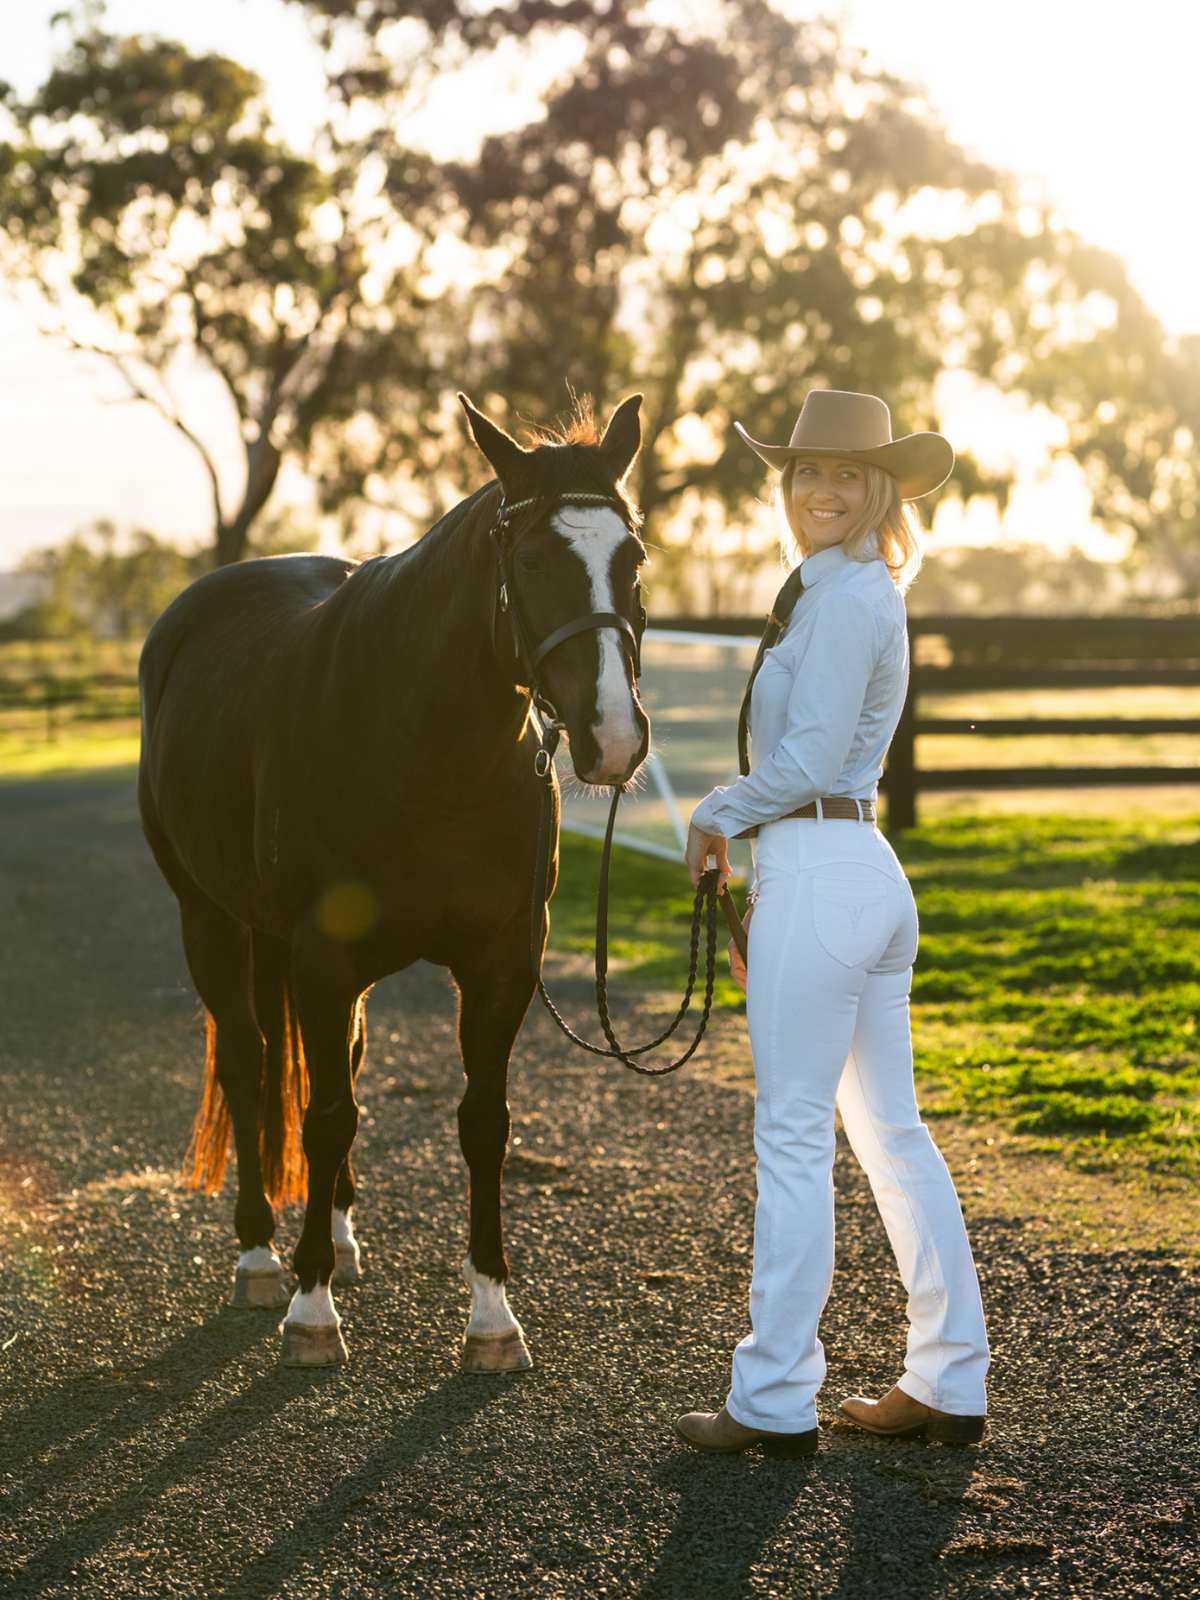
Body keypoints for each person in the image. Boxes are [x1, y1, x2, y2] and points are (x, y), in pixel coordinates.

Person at [675, 389, 989, 1460]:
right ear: (789, 483)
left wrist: (717, 813)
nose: (824, 489)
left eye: (848, 475)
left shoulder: (851, 598)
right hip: (850, 873)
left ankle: (770, 1398)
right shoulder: (832, 594)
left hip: (821, 872)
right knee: (888, 1134)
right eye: (809, 472)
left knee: (796, 1137)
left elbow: (805, 761)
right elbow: (811, 756)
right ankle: (949, 1378)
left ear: (881, 488)